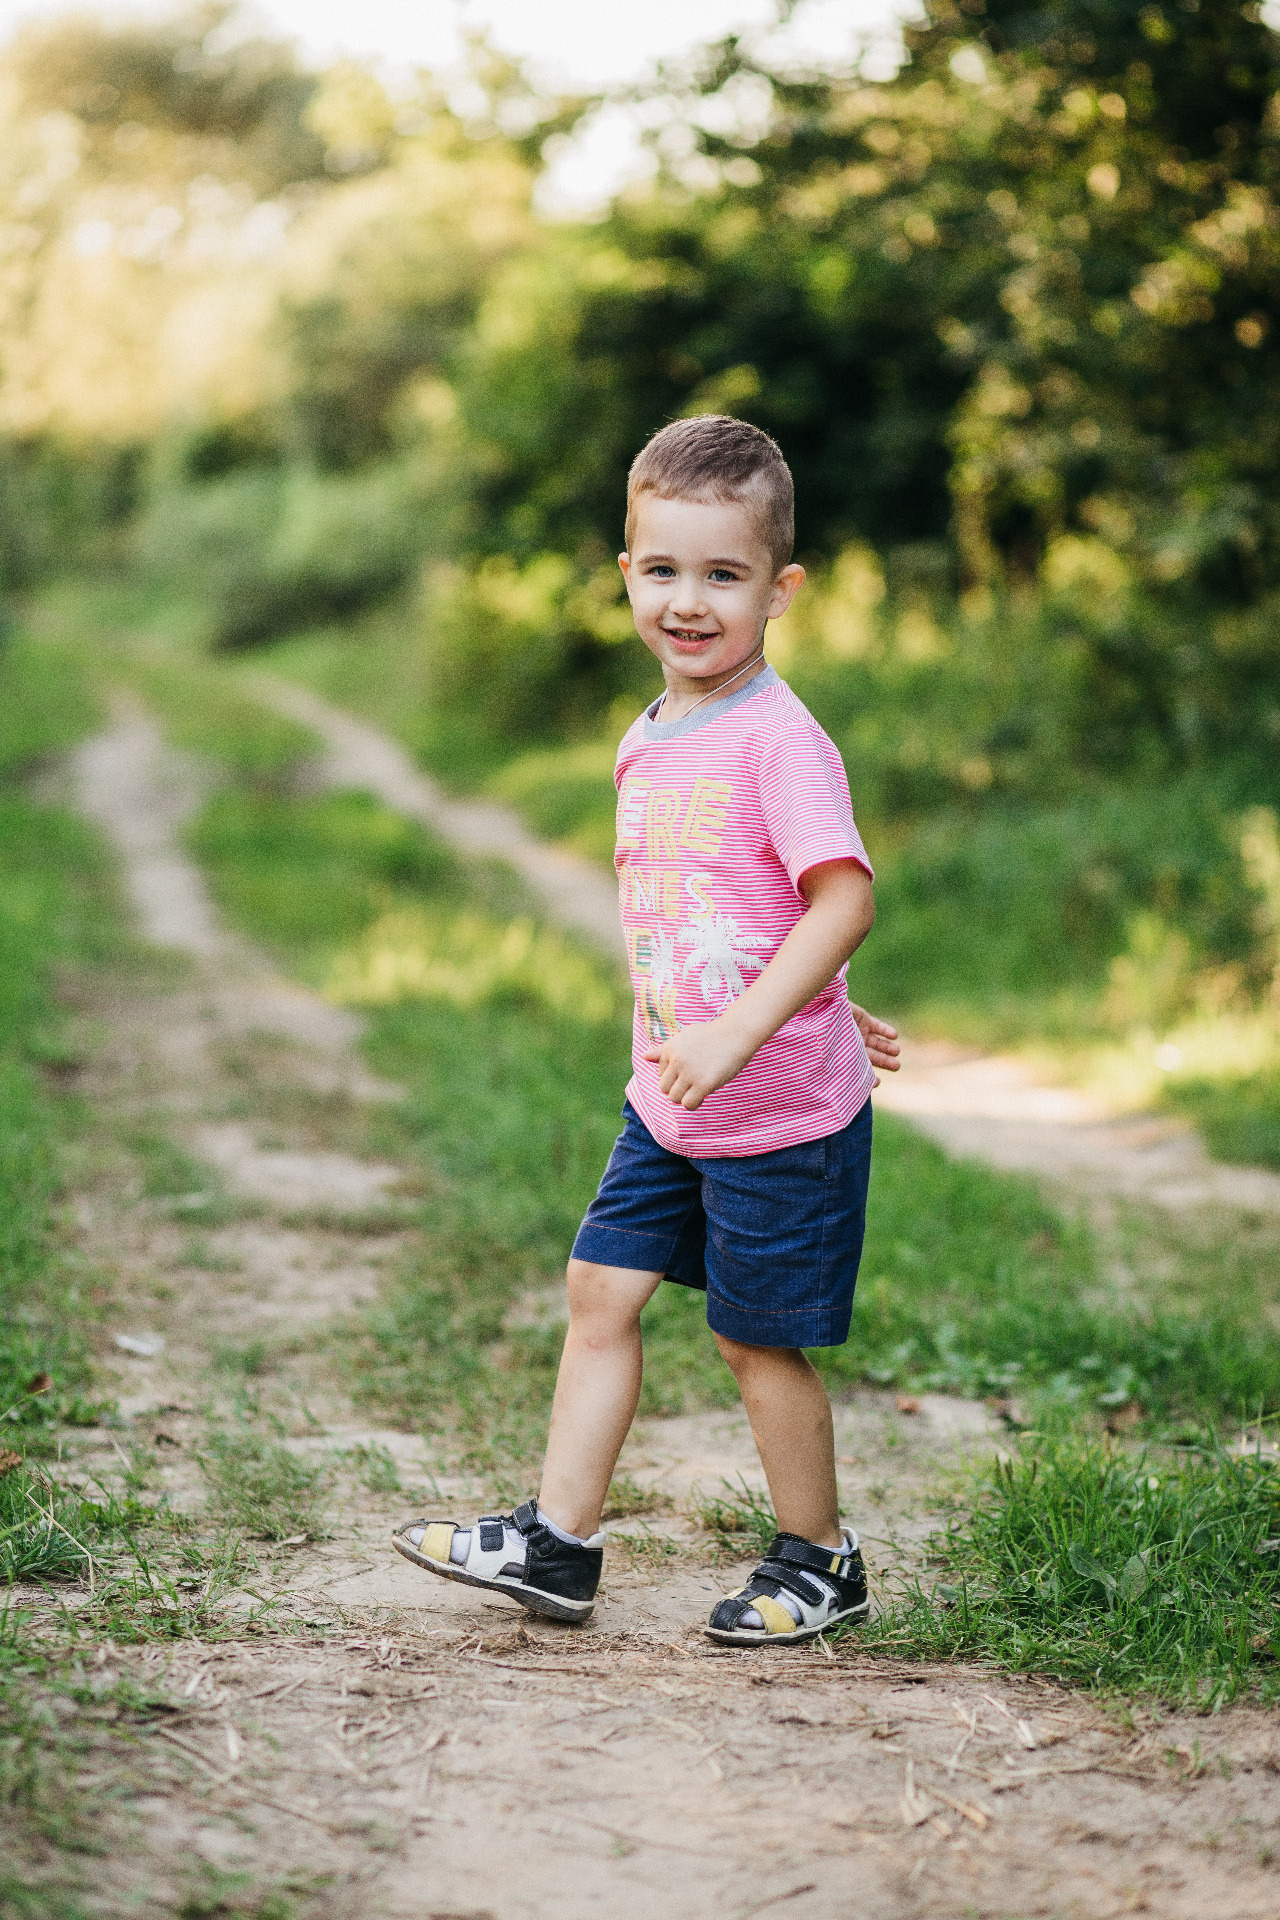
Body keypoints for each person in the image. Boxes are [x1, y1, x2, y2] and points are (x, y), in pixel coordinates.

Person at [393, 414, 900, 1645]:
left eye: (721, 576)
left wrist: (757, 1026)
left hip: (772, 1111)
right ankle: (558, 1545)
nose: (688, 601)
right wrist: (809, 991)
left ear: (778, 591)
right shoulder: (648, 735)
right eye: (662, 570)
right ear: (625, 573)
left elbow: (844, 894)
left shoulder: (780, 739)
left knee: (752, 1339)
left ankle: (818, 1559)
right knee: (599, 1289)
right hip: (671, 1097)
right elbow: (747, 906)